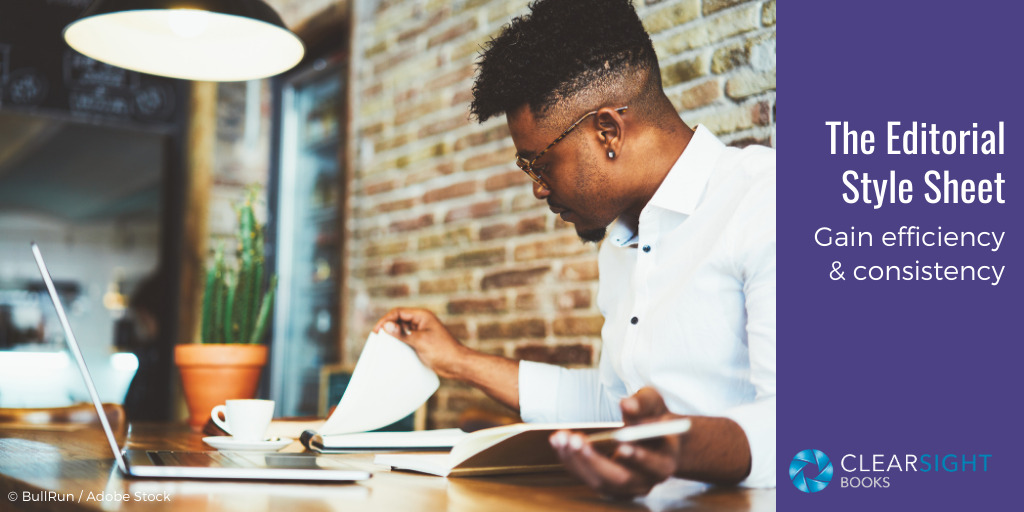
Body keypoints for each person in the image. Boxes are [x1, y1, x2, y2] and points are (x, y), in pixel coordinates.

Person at [374, 0, 775, 498]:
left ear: (607, 130)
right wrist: (454, 359)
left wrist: (677, 447)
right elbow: (612, 407)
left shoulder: (765, 202)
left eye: (538, 163)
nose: (538, 189)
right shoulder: (621, 241)